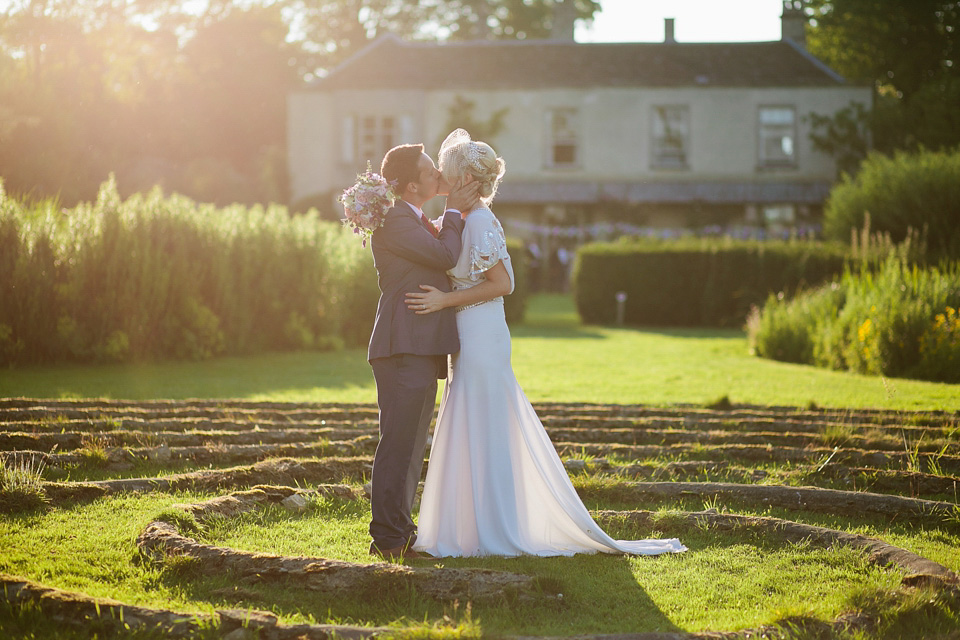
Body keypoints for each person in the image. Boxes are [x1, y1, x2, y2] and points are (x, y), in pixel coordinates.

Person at [404, 130, 687, 557]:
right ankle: (468, 527)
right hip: (467, 335)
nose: (440, 173)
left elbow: (504, 283)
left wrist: (446, 299)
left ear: (465, 177)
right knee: (469, 418)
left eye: (448, 167)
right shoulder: (458, 218)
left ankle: (493, 526)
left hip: (482, 333)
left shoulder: (479, 220)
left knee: (484, 420)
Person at [367, 143, 479, 560]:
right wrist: (453, 210)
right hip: (401, 347)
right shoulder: (397, 219)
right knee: (399, 443)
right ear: (412, 185)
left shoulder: (412, 219)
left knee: (411, 443)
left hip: (416, 347)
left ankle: (399, 532)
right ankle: (389, 538)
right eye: (432, 171)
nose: (440, 176)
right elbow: (445, 255)